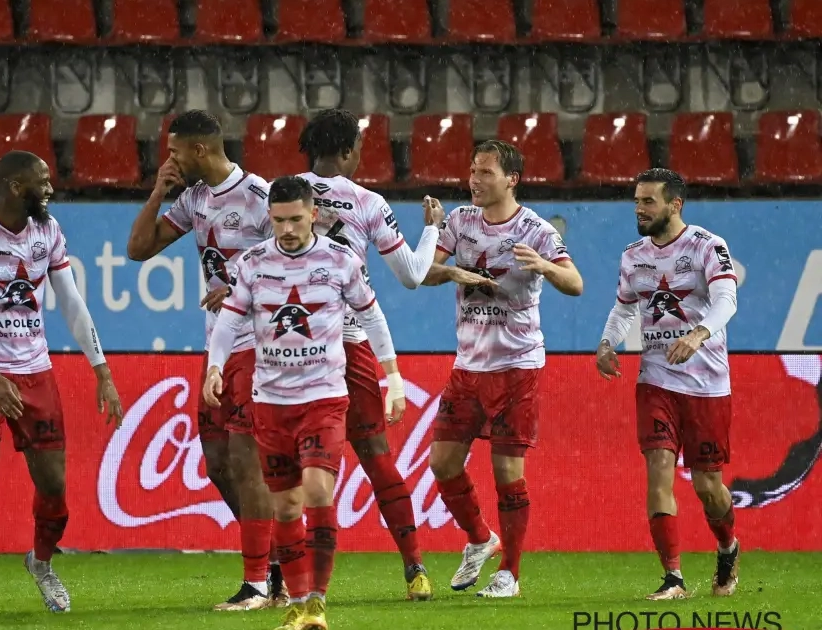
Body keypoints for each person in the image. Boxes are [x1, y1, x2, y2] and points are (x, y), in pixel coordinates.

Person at [204, 175, 406, 630]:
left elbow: (373, 317)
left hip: (324, 398)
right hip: (271, 402)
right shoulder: (252, 264)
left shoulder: (340, 260)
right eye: (279, 220)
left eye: (296, 219)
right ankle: (297, 604)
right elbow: (229, 320)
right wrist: (215, 366)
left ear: (314, 214)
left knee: (316, 489)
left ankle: (317, 601)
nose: (288, 229)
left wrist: (393, 377)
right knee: (286, 507)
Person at [0, 150, 125, 619]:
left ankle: (40, 563)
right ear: (13, 186)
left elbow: (71, 301)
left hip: (37, 373)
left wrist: (102, 371)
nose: (49, 188)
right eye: (41, 182)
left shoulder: (49, 231)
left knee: (55, 491)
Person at [294, 107, 457, 600]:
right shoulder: (367, 202)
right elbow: (412, 275)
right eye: (360, 146)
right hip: (349, 344)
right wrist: (432, 229)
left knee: (286, 469)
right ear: (347, 150)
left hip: (292, 349)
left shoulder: (281, 195)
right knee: (376, 458)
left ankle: (278, 577)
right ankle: (415, 568)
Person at [126, 110, 286, 610]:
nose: (169, 160)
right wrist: (158, 192)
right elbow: (138, 249)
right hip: (216, 348)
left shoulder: (259, 195)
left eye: (174, 152)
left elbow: (294, 257)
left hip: (257, 347)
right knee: (217, 463)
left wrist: (240, 283)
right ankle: (277, 565)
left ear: (199, 150)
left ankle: (257, 583)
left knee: (246, 463)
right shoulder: (193, 199)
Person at [423, 140, 584, 598]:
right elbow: (422, 273)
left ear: (512, 179)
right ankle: (480, 538)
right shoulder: (459, 221)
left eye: (486, 172)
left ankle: (509, 573)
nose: (474, 180)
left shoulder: (535, 230)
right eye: (472, 171)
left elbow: (575, 283)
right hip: (468, 366)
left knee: (507, 472)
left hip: (516, 367)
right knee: (442, 463)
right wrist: (450, 270)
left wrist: (545, 267)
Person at [596, 168, 740, 600]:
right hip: (655, 380)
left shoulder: (707, 246)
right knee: (659, 469)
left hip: (706, 385)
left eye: (648, 202)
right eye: (636, 201)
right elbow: (624, 308)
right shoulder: (632, 256)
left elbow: (727, 300)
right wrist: (607, 342)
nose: (639, 210)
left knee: (708, 487)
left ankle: (728, 546)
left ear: (675, 204)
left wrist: (698, 335)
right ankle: (673, 578)